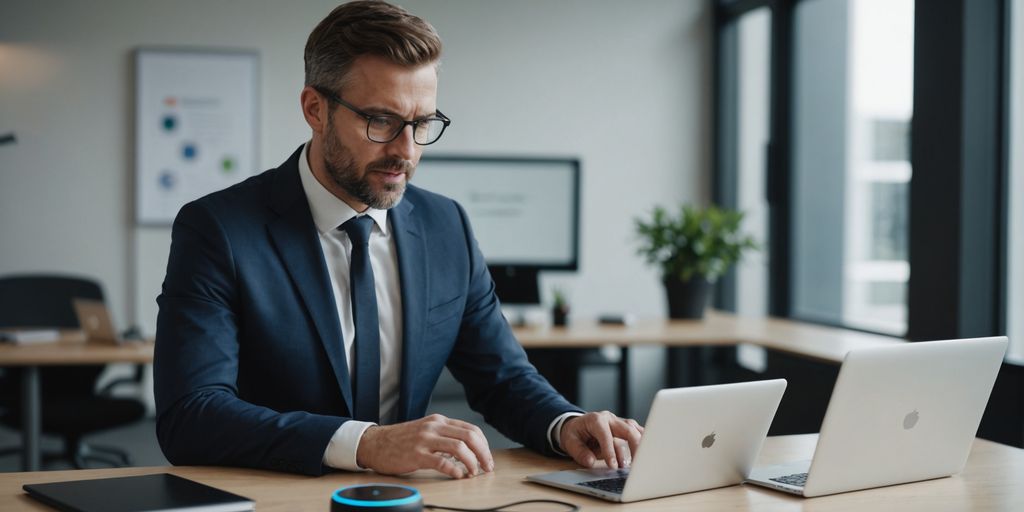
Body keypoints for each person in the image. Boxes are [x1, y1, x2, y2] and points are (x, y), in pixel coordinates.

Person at [154, 0, 642, 478]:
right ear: (315, 109)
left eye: (422, 123)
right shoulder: (219, 229)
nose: (406, 151)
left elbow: (503, 378)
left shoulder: (446, 225)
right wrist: (366, 443)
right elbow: (191, 415)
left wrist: (565, 424)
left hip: (409, 497)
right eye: (381, 121)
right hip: (279, 495)